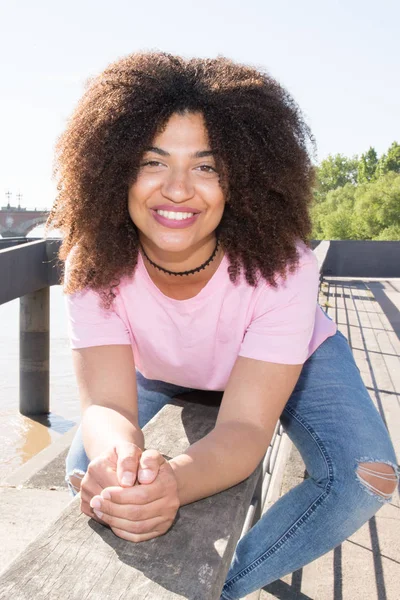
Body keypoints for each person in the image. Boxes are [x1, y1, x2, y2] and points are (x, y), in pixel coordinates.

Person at [46, 51, 399, 599]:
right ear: (113, 169)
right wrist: (123, 469)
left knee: (366, 477)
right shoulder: (93, 264)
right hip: (160, 365)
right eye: (151, 161)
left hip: (285, 361)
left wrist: (173, 484)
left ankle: (220, 587)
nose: (179, 189)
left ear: (244, 180)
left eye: (206, 166)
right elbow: (105, 409)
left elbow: (246, 430)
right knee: (87, 478)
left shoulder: (284, 268)